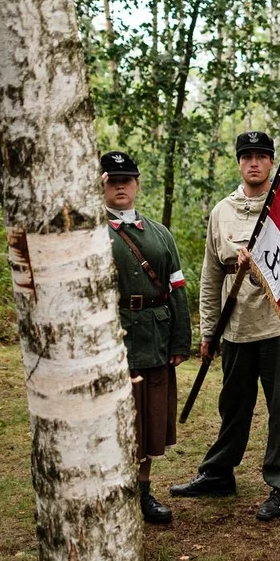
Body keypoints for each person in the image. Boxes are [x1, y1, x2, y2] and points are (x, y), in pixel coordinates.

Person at [170, 131, 280, 522]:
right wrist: (208, 331)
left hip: (279, 325)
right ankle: (218, 473)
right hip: (236, 327)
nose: (255, 163)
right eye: (247, 156)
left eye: (262, 156)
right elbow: (211, 277)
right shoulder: (221, 211)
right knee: (233, 405)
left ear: (271, 162)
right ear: (239, 162)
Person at [101, 151, 192, 524]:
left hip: (155, 335)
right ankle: (110, 494)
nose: (121, 185)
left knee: (149, 420)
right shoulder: (90, 231)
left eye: (127, 179)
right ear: (101, 185)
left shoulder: (159, 234)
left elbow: (177, 289)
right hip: (111, 339)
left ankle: (142, 492)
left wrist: (179, 341)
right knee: (114, 418)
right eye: (112, 180)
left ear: (137, 184)